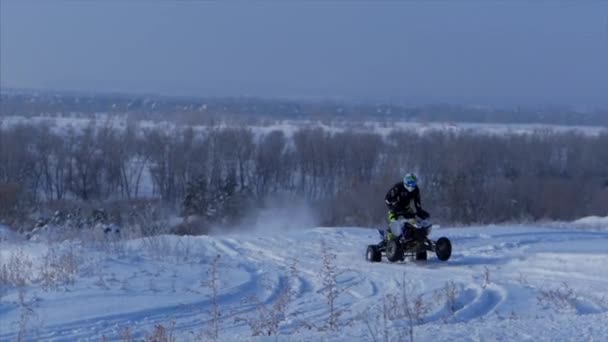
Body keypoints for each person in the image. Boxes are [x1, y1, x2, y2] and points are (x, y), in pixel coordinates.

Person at [384, 173, 430, 241]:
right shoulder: (397, 187)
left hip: (406, 208)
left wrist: (420, 211)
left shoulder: (416, 189)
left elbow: (417, 202)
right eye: (409, 182)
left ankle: (414, 236)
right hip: (395, 209)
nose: (411, 185)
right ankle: (389, 238)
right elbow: (387, 199)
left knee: (414, 221)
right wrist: (393, 207)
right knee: (394, 222)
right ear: (405, 181)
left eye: (413, 183)